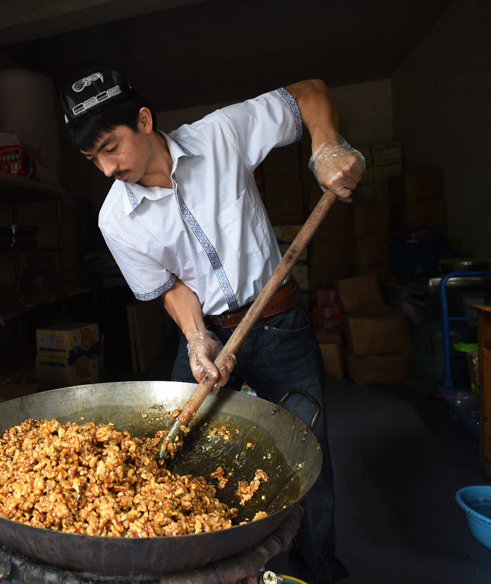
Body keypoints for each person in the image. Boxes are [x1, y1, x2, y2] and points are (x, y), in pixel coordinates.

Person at [60, 68, 364, 584]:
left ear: (144, 120)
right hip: (208, 333)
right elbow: (170, 288)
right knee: (176, 452)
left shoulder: (221, 134)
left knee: (308, 457)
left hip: (279, 323)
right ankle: (191, 566)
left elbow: (310, 94)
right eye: (94, 159)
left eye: (111, 147)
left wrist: (327, 145)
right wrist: (196, 336)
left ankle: (318, 571)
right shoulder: (115, 220)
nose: (108, 168)